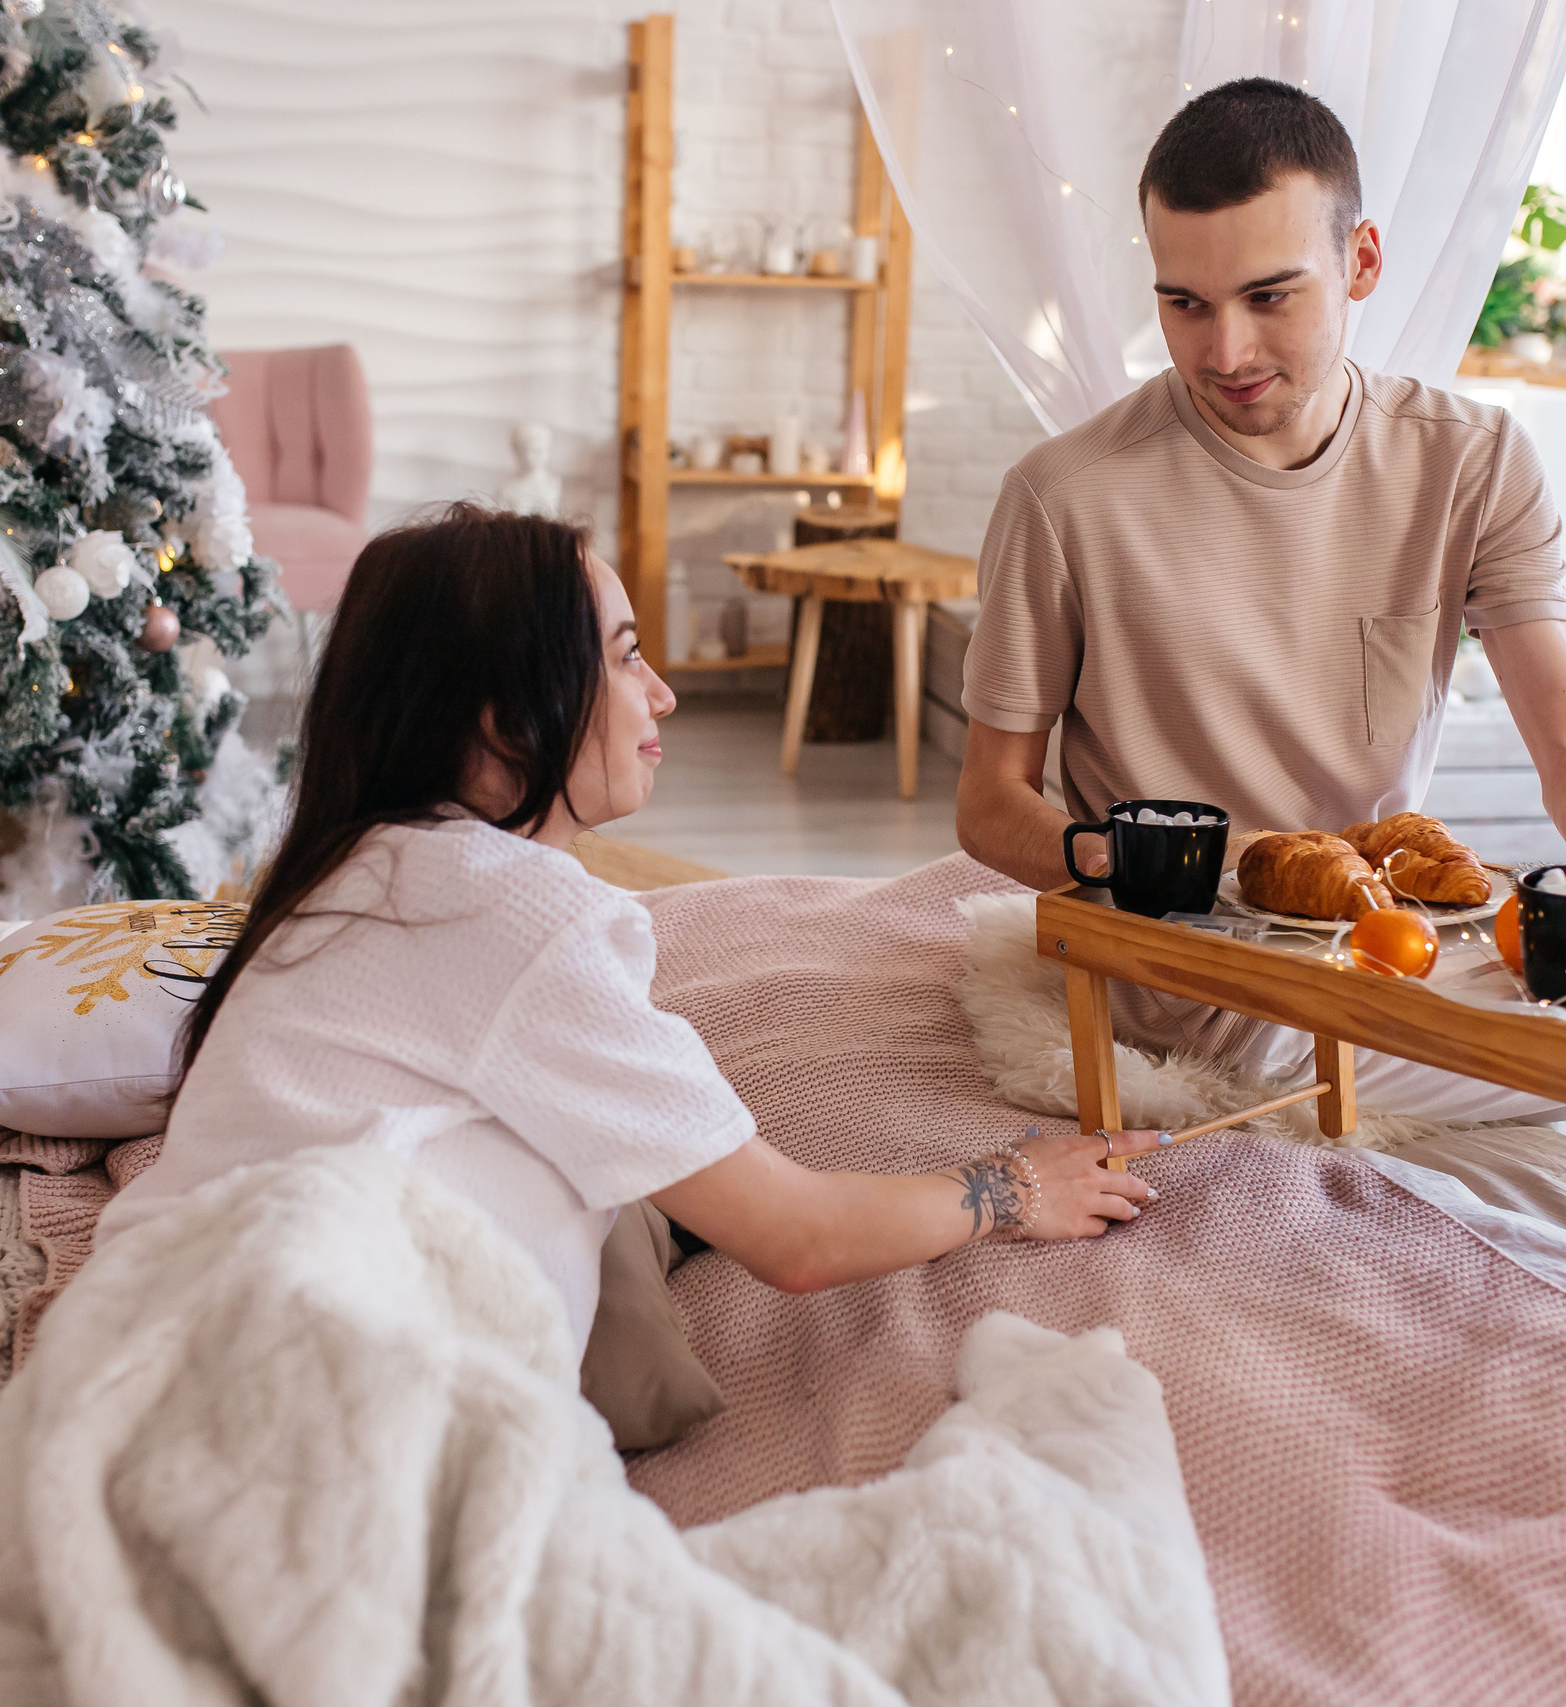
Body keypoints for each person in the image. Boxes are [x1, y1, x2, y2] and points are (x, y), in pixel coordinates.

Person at [954, 80, 1566, 1216]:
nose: (1225, 350)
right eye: (1184, 304)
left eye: (1271, 296)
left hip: (1390, 948)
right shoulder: (1064, 496)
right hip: (1196, 988)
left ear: (1361, 259)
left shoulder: (1470, 462)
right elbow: (987, 807)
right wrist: (1180, 869)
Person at [99, 503, 1158, 1361]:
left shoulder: (353, 861)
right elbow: (796, 1237)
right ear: (507, 720)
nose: (662, 695)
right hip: (269, 1365)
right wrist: (1018, 1190)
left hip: (144, 1326)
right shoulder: (509, 913)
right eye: (623, 658)